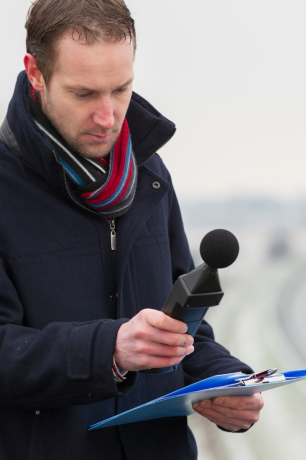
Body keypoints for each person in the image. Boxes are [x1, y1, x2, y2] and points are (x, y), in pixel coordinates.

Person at [0, 0, 263, 458]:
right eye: (84, 94)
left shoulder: (149, 174)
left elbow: (182, 330)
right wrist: (111, 349)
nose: (108, 117)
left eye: (121, 89)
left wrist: (225, 383)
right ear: (35, 73)